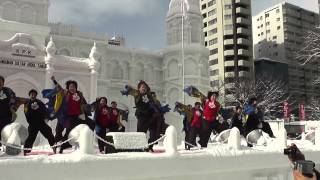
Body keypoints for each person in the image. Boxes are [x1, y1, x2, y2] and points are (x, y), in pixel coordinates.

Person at [50, 76, 89, 153]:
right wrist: (54, 80)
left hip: (73, 117)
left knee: (68, 132)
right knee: (58, 131)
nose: (72, 88)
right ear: (68, 87)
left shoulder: (80, 95)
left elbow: (85, 104)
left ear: (76, 88)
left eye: (74, 86)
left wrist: (86, 110)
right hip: (63, 115)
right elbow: (59, 88)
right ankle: (55, 145)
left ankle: (62, 146)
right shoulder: (65, 93)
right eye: (70, 86)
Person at [23, 89, 55, 155]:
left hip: (41, 123)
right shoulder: (27, 104)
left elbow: (45, 111)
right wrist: (32, 110)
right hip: (33, 124)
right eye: (31, 94)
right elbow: (26, 114)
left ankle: (54, 146)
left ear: (36, 95)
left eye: (34, 94)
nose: (33, 95)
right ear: (29, 95)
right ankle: (26, 151)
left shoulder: (40, 102)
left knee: (49, 132)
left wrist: (40, 111)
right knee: (31, 137)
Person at [0, 75, 16, 147]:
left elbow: (13, 98)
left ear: (3, 83)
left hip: (6, 116)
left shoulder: (8, 90)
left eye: (1, 82)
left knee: (6, 131)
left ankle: (8, 146)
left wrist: (12, 108)